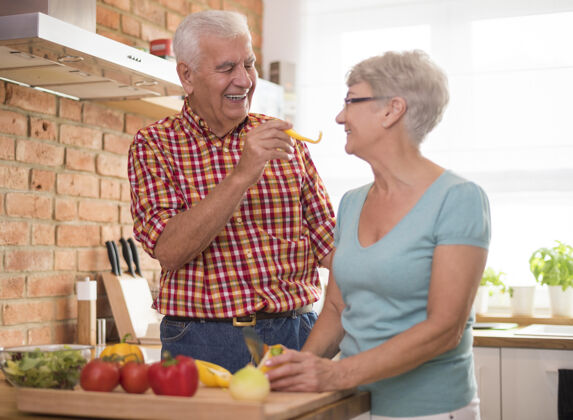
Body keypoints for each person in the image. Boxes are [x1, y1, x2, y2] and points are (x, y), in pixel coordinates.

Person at [266, 50, 490, 420]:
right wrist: (300, 370)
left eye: (351, 101)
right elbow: (337, 308)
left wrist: (337, 373)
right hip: (356, 405)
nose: (340, 116)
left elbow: (444, 329)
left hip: (431, 411)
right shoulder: (352, 203)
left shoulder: (458, 199)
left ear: (392, 110)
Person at [128, 10, 335, 374]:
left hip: (296, 333)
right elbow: (169, 251)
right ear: (187, 76)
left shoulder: (284, 140)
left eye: (249, 64)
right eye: (227, 68)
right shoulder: (154, 144)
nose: (244, 80)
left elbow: (329, 244)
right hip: (202, 340)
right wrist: (242, 175)